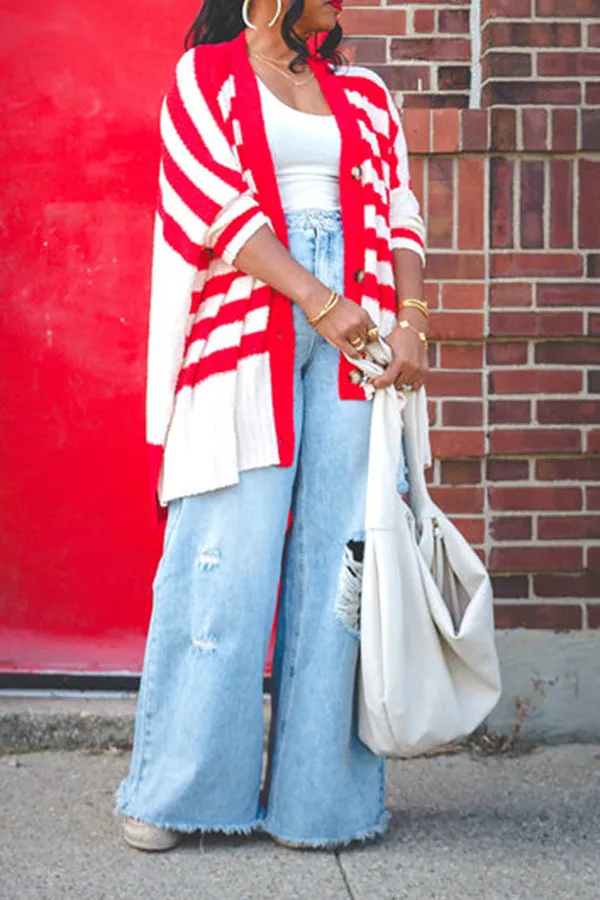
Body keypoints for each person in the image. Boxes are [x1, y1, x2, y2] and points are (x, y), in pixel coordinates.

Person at [116, 0, 428, 852]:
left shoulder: (361, 91)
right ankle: (175, 791)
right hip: (249, 322)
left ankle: (319, 803)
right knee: (224, 551)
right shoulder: (205, 77)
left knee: (342, 562)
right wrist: (318, 300)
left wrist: (413, 321)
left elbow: (398, 205)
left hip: (359, 332)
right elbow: (210, 202)